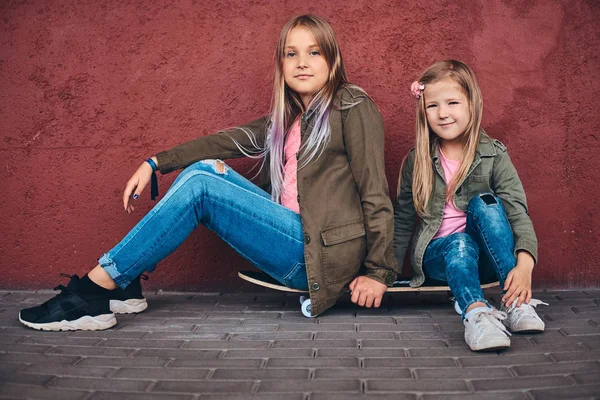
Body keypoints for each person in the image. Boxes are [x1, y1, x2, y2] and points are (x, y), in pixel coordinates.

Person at [19, 15, 397, 331]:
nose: (302, 62)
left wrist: (379, 273)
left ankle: (94, 289)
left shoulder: (352, 105)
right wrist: (156, 162)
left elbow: (375, 192)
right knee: (204, 169)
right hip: (296, 236)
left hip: (319, 254)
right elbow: (223, 143)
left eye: (314, 53)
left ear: (332, 60)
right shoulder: (288, 119)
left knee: (201, 184)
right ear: (280, 65)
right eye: (291, 54)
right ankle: (124, 285)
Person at [394, 60, 546, 351]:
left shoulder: (494, 154)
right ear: (423, 111)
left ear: (472, 104)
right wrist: (383, 272)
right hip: (438, 257)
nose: (443, 113)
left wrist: (525, 264)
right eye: (432, 106)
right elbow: (402, 218)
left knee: (486, 202)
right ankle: (476, 314)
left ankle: (515, 302)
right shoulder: (418, 159)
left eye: (452, 102)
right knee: (459, 242)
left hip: (486, 260)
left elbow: (516, 210)